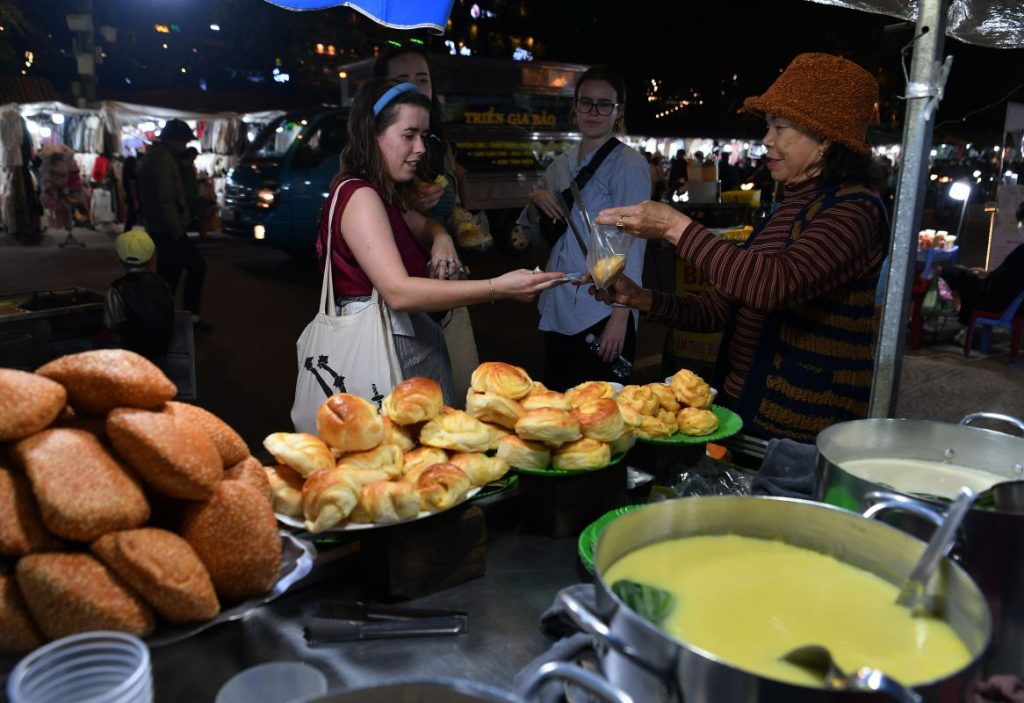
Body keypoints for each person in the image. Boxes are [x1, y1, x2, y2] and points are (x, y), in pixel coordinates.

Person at [592, 53, 889, 442]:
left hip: (801, 430)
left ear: (826, 140)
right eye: (768, 127)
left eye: (780, 128)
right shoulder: (787, 209)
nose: (766, 140)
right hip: (745, 410)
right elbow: (719, 309)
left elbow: (771, 285)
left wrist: (674, 226)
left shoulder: (854, 211)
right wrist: (642, 298)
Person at [316, 78, 565, 405]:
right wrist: (497, 288)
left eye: (423, 135)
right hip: (384, 366)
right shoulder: (361, 196)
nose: (420, 148)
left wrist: (441, 236)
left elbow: (422, 225)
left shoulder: (381, 190)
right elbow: (398, 292)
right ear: (371, 134)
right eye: (408, 135)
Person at [517, 65, 651, 391]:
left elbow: (633, 241)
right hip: (558, 303)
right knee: (560, 411)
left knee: (603, 418)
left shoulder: (629, 163)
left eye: (604, 104)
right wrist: (536, 198)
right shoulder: (561, 164)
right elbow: (529, 233)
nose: (594, 111)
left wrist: (622, 314)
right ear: (575, 106)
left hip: (601, 311)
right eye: (586, 102)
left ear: (618, 112)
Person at [374, 47, 481, 402]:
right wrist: (407, 205)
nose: (416, 88)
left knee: (465, 393)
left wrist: (451, 227)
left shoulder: (439, 142)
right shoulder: (371, 164)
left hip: (448, 286)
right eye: (402, 81)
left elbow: (453, 203)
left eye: (422, 79)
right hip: (405, 302)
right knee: (417, 407)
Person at [138, 119, 212, 331]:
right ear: (174, 140)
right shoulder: (163, 160)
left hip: (160, 226)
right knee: (196, 267)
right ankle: (187, 319)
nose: (184, 145)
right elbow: (166, 198)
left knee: (169, 276)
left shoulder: (160, 156)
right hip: (168, 228)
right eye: (183, 141)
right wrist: (177, 231)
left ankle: (164, 321)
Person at [941, 200, 1024, 326]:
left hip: (998, 302)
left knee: (951, 273)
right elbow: (1008, 276)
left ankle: (936, 315)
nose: (1020, 225)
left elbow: (1006, 282)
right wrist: (988, 274)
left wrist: (987, 278)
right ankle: (963, 325)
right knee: (961, 272)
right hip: (1006, 301)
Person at [103, 228, 175, 360]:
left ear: (119, 258)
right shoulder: (161, 282)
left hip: (132, 350)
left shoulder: (116, 288)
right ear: (152, 258)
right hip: (161, 348)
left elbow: (111, 323)